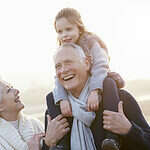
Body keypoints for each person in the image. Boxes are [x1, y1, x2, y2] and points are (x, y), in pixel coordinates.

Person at [43, 43, 150, 150]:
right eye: (58, 66)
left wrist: (129, 130)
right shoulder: (55, 112)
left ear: (87, 63)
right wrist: (47, 143)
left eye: (68, 63)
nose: (63, 70)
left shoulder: (120, 99)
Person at [53, 7, 124, 150]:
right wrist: (62, 99)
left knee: (109, 83)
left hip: (99, 79)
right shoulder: (62, 49)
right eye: (60, 32)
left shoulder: (90, 42)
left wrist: (95, 91)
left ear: (79, 28)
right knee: (52, 97)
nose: (64, 35)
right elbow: (58, 76)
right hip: (78, 88)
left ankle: (111, 138)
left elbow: (100, 66)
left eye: (68, 29)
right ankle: (62, 144)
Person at [0, 80, 70, 150]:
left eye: (12, 87)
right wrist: (48, 142)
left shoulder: (34, 123)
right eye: (8, 90)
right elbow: (48, 142)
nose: (16, 91)